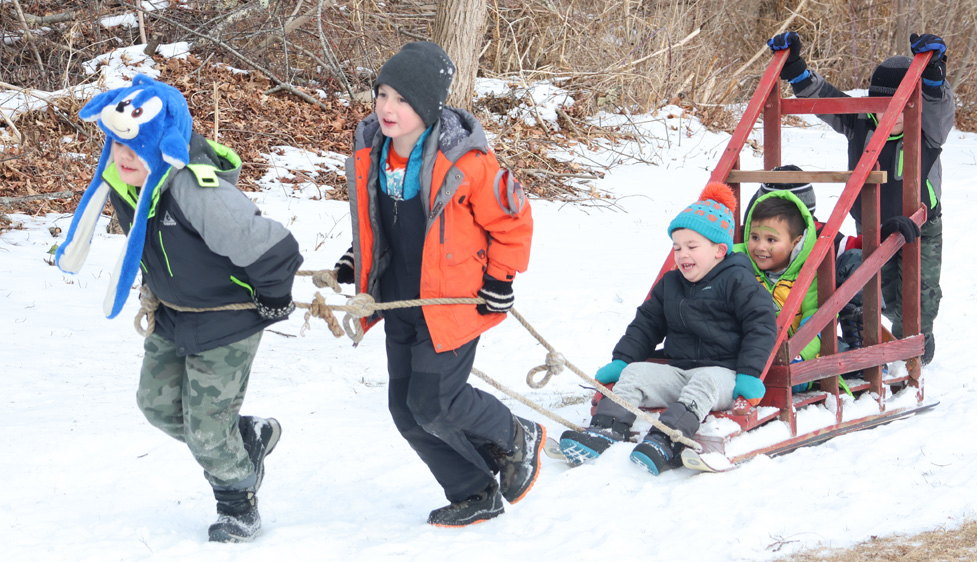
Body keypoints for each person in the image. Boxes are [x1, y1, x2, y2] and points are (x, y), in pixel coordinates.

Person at [55, 75, 303, 543]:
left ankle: (238, 500)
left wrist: (273, 299)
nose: (124, 157)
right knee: (157, 405)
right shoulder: (126, 182)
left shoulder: (197, 191)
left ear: (162, 144)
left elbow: (275, 249)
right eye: (117, 147)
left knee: (208, 430)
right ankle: (245, 438)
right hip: (173, 312)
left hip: (228, 318)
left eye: (137, 148)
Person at [334, 42, 545, 527]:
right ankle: (474, 492)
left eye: (402, 99)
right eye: (382, 94)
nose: (387, 108)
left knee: (435, 400)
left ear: (427, 106)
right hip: (398, 300)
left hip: (452, 303)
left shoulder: (465, 161)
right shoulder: (372, 152)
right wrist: (359, 257)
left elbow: (513, 220)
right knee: (406, 411)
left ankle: (517, 436)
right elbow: (376, 221)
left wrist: (501, 278)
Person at [559, 182, 778, 475]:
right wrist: (622, 361)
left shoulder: (739, 282)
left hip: (724, 375)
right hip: (680, 371)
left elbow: (761, 325)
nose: (682, 254)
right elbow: (646, 324)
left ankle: (667, 440)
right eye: (677, 247)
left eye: (691, 247)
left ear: (719, 250)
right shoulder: (671, 284)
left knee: (706, 382)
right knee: (635, 374)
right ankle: (605, 430)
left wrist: (749, 375)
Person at [766, 32, 953, 364]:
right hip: (872, 222)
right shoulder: (859, 121)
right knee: (876, 292)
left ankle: (918, 343)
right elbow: (823, 99)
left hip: (920, 228)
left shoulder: (927, 130)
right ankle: (870, 341)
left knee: (917, 297)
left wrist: (935, 76)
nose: (889, 115)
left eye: (900, 107)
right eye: (881, 106)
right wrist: (795, 67)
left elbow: (940, 108)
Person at [736, 189, 822, 361]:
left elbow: (815, 319)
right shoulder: (738, 261)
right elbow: (711, 255)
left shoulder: (809, 274)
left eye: (771, 240)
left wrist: (799, 354)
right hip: (747, 351)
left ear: (795, 243)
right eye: (754, 237)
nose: (760, 247)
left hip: (795, 357)